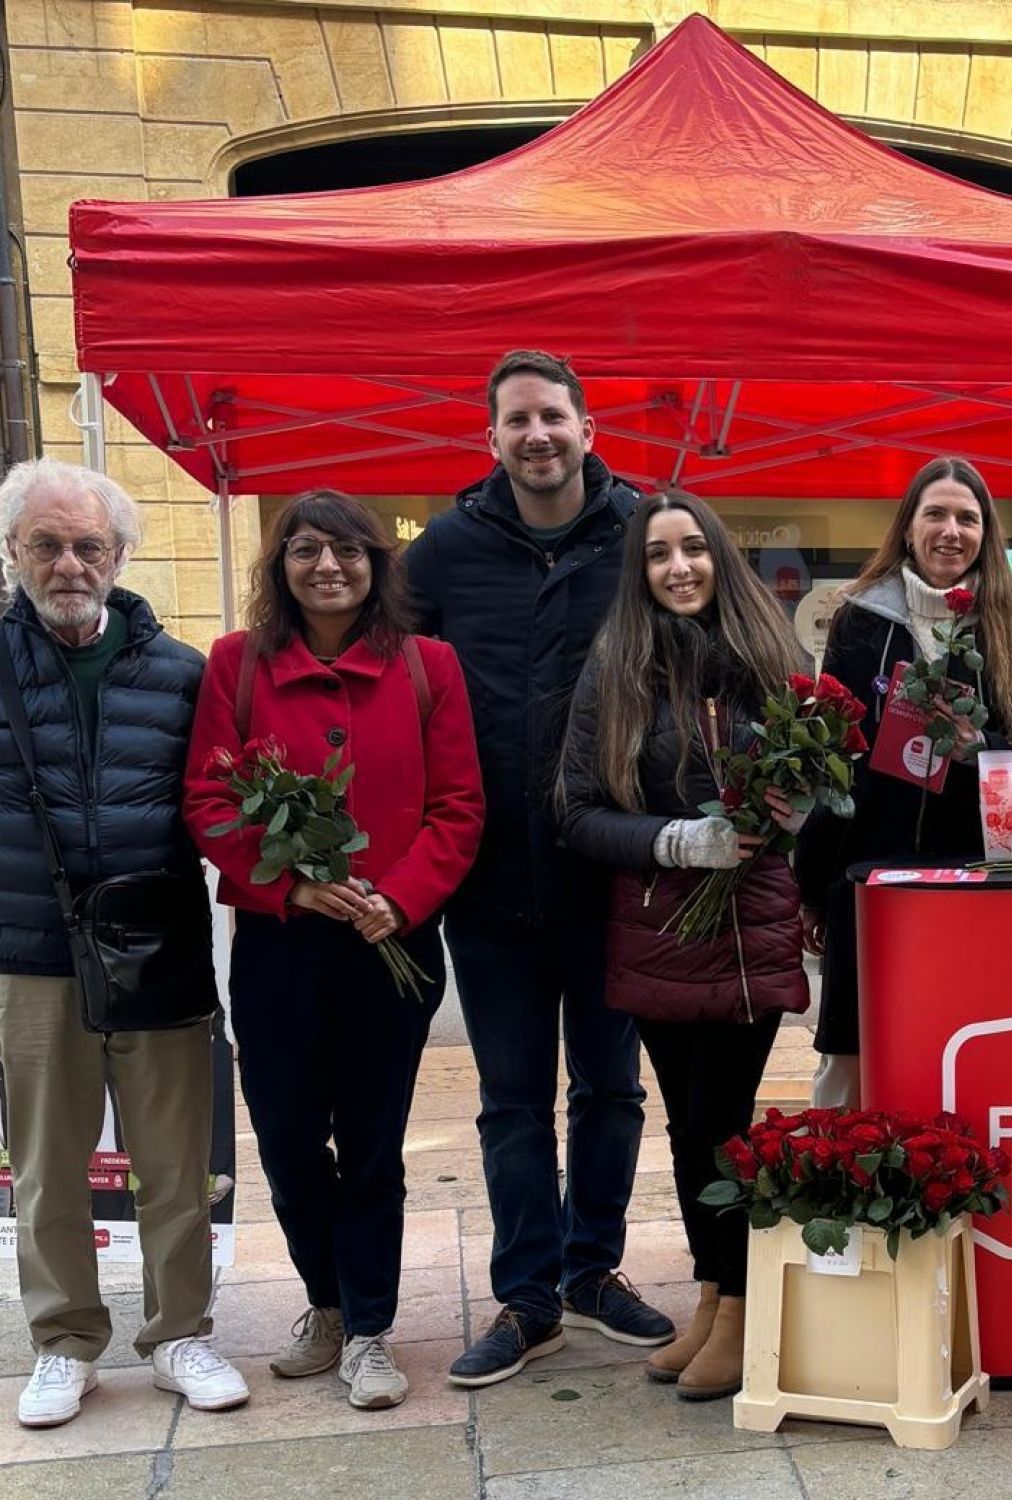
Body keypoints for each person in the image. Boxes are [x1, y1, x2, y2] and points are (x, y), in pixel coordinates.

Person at [404, 350, 674, 1387]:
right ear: (492, 439)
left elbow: (704, 649)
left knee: (610, 1088)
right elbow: (396, 690)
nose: (537, 435)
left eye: (553, 416)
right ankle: (526, 1295)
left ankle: (592, 1271)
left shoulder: (643, 534)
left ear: (587, 427)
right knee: (511, 1097)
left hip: (612, 871)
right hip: (490, 874)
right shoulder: (442, 554)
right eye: (517, 420)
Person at [183, 490, 483, 1410]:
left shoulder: (429, 665)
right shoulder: (237, 666)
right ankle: (322, 1298)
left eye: (348, 551)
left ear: (375, 565)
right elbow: (208, 798)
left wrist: (399, 898)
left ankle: (370, 1327)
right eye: (307, 550)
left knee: (374, 1143)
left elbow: (458, 807)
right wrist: (290, 884)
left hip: (390, 942)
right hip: (280, 947)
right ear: (281, 566)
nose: (328, 567)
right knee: (283, 1139)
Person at [0, 458, 248, 1427]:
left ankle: (180, 1332)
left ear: (120, 554)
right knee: (50, 1165)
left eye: (87, 545)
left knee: (176, 1159)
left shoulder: (185, 674)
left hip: (159, 949)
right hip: (30, 953)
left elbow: (220, 807)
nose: (69, 564)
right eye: (47, 544)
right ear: (15, 551)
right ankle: (65, 1342)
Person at [558, 490, 810, 1400]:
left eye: (694, 549)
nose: (679, 568)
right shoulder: (615, 668)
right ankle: (712, 1298)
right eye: (659, 554)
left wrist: (795, 809)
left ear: (718, 558)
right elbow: (577, 811)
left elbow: (822, 776)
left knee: (724, 1122)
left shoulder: (773, 657)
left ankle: (744, 1305)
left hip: (747, 932)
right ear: (641, 572)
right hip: (659, 931)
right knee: (688, 1124)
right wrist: (676, 839)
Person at [796, 457, 1012, 1107]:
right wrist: (813, 882)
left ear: (985, 533)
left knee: (961, 1041)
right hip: (871, 876)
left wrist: (976, 749)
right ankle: (847, 1193)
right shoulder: (859, 619)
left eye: (968, 517)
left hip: (967, 881)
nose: (951, 530)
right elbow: (834, 759)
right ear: (907, 527)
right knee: (852, 1058)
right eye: (934, 513)